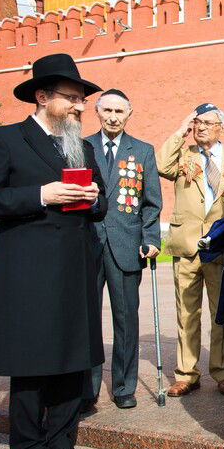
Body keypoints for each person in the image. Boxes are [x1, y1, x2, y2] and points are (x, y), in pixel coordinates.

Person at [0, 53, 106, 449]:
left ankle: (62, 441)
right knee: (32, 363)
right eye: (72, 98)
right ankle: (28, 448)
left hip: (75, 267)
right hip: (28, 272)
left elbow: (98, 207)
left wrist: (96, 197)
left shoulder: (81, 146)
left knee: (73, 358)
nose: (80, 107)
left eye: (82, 99)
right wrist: (41, 194)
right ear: (43, 96)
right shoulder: (3, 139)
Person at [156, 103, 224, 397]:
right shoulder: (184, 156)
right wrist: (180, 131)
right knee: (186, 312)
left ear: (222, 126)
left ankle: (223, 372)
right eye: (197, 123)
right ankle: (186, 374)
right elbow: (159, 164)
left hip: (221, 245)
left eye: (208, 123)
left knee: (221, 313)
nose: (201, 127)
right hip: (186, 245)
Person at [82, 88, 162, 410]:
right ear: (97, 113)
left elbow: (152, 201)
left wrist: (152, 238)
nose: (113, 117)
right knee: (86, 319)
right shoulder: (82, 146)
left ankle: (124, 386)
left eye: (119, 112)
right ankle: (86, 390)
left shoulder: (142, 151)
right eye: (107, 111)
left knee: (126, 320)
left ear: (129, 114)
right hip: (87, 244)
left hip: (126, 245)